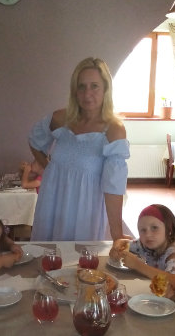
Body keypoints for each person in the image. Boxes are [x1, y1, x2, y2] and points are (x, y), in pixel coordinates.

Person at [28, 57, 130, 241]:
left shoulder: (114, 130)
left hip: (85, 212)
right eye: (81, 86)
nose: (87, 93)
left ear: (106, 88)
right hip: (51, 204)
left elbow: (114, 186)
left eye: (94, 86)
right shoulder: (60, 119)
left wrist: (117, 233)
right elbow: (35, 140)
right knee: (46, 254)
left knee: (80, 257)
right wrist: (49, 168)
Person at [109, 204, 175, 294]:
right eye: (143, 230)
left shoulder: (174, 253)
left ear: (169, 230)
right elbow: (123, 242)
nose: (148, 235)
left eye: (154, 228)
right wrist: (116, 247)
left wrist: (137, 265)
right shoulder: (143, 245)